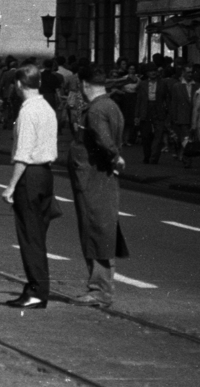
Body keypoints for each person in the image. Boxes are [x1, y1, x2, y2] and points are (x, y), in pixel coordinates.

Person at [68, 67, 129, 308]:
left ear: (84, 85)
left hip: (92, 179)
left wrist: (115, 157)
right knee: (102, 229)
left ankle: (100, 289)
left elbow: (104, 139)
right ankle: (101, 287)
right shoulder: (111, 106)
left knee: (96, 231)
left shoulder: (95, 110)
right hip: (98, 177)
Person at [2, 64, 59, 308]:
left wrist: (11, 186)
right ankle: (36, 288)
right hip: (45, 174)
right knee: (37, 235)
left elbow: (24, 153)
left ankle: (36, 291)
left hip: (31, 175)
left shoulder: (27, 112)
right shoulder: (47, 107)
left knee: (30, 236)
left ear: (18, 84)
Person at [133, 66, 170, 164]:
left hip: (158, 110)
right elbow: (139, 100)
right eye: (150, 71)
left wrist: (167, 111)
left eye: (154, 71)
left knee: (159, 134)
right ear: (147, 73)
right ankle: (147, 156)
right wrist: (137, 115)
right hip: (146, 109)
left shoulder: (163, 84)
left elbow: (167, 98)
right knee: (146, 135)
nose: (153, 73)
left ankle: (154, 158)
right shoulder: (143, 84)